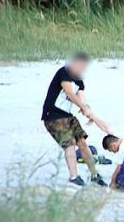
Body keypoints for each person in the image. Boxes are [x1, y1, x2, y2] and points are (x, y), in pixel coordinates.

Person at [41, 52, 107, 187]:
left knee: (82, 143)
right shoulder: (64, 73)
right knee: (70, 145)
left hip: (68, 115)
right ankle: (73, 177)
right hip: (53, 116)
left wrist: (89, 112)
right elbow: (70, 93)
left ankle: (94, 175)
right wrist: (83, 106)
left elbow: (81, 97)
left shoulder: (79, 80)